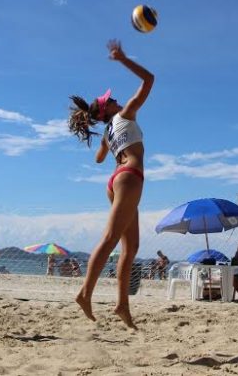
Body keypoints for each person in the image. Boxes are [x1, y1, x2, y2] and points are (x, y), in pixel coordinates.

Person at [69, 39, 154, 330]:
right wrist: (123, 58)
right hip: (130, 176)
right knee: (110, 239)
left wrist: (106, 137)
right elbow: (149, 79)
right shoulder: (125, 113)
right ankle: (84, 293)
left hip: (116, 179)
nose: (116, 98)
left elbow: (98, 158)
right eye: (110, 100)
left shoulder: (108, 130)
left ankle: (122, 305)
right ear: (108, 109)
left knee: (131, 247)